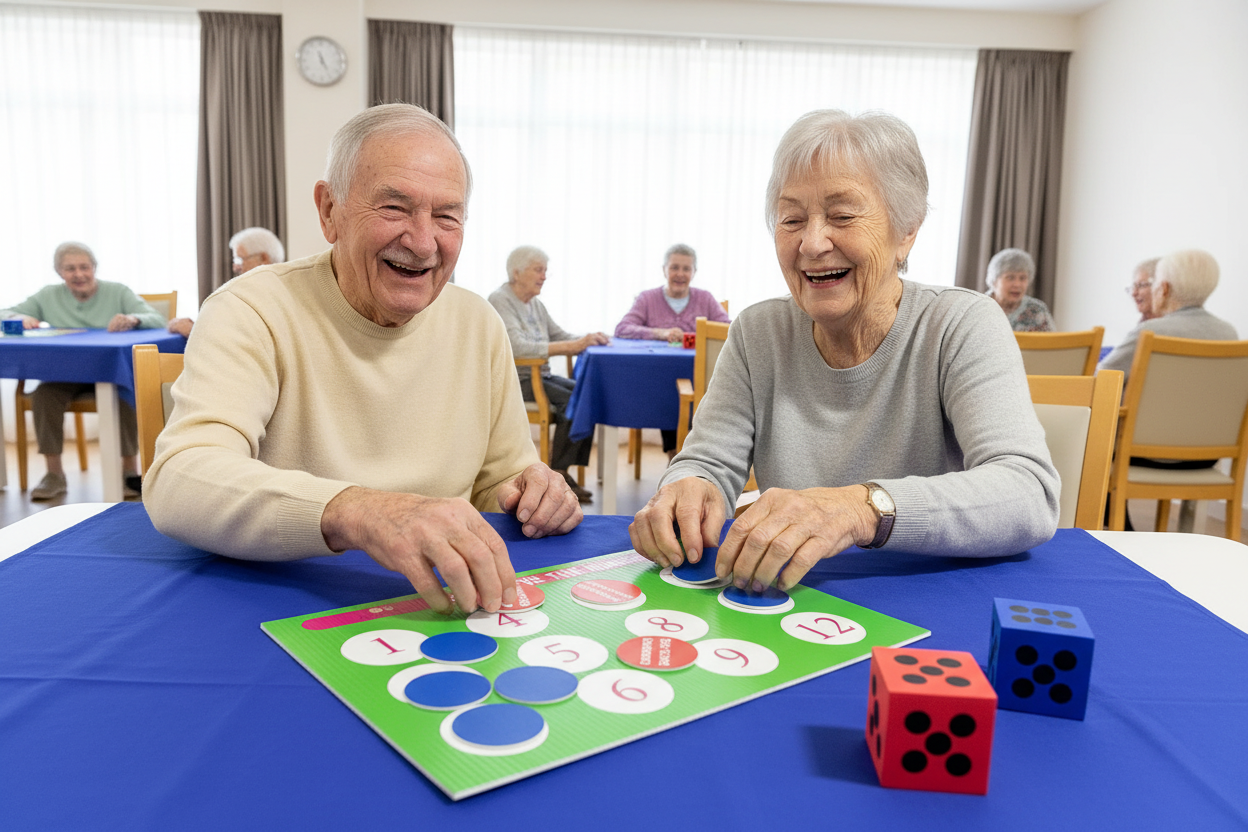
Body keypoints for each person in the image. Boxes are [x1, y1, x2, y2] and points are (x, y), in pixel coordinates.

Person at [145, 103, 582, 615]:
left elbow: (500, 479)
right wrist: (361, 510)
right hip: (287, 600)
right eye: (394, 208)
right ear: (329, 211)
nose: (423, 243)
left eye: (446, 216)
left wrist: (532, 493)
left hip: (445, 600)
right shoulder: (251, 309)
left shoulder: (477, 321)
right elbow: (181, 477)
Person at [628, 109, 1059, 593]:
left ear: (907, 230)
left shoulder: (960, 324)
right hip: (788, 595)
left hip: (930, 592)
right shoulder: (757, 331)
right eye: (792, 218)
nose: (812, 243)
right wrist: (688, 488)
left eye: (842, 216)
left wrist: (858, 507)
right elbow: (708, 462)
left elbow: (1028, 492)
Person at [1, 241, 166, 500]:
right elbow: (5, 312)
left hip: (111, 372)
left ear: (94, 268)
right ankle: (54, 474)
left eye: (84, 267)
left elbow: (157, 318)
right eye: (70, 269)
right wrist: (18, 318)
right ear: (59, 273)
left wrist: (133, 319)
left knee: (124, 391)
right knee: (44, 395)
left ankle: (129, 471)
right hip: (65, 374)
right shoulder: (47, 295)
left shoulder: (117, 291)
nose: (79, 274)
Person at [488, 246, 609, 504]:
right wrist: (571, 347)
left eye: (545, 271)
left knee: (586, 394)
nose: (543, 276)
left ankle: (562, 470)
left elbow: (560, 335)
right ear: (517, 272)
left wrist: (588, 339)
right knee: (571, 402)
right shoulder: (500, 299)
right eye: (538, 270)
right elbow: (517, 347)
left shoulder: (535, 304)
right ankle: (559, 472)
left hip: (541, 377)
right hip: (518, 380)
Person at [614, 244, 732, 456]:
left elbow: (728, 329)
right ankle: (675, 454)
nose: (680, 274)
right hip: (658, 378)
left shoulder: (704, 298)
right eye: (674, 267)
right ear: (664, 270)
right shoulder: (647, 299)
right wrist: (660, 333)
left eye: (686, 269)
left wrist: (696, 336)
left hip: (702, 378)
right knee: (669, 389)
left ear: (694, 272)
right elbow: (622, 329)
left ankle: (699, 455)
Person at [1100, 249, 1237, 382]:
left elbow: (1100, 379)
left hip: (1148, 406)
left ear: (1164, 289)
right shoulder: (1229, 334)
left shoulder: (1150, 332)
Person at [168, 227, 285, 338]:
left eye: (239, 259)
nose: (235, 267)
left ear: (263, 258)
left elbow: (240, 341)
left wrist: (193, 330)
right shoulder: (279, 287)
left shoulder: (266, 295)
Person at [985, 248, 1055, 332]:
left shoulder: (1036, 310)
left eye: (1022, 278)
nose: (1017, 284)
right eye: (1010, 277)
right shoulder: (978, 308)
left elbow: (1051, 343)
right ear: (994, 281)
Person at [1126, 257, 1160, 323]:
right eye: (1133, 287)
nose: (1134, 293)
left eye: (1141, 285)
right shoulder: (1142, 324)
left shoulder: (1174, 323)